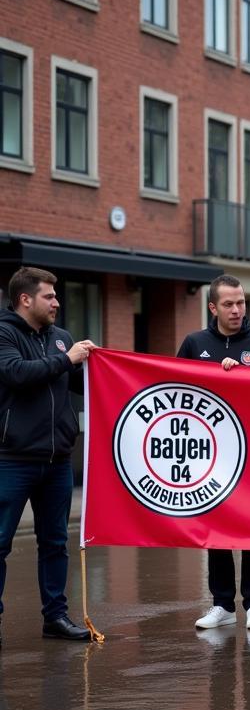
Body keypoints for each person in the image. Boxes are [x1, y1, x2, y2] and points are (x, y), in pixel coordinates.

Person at [177, 275, 250, 632]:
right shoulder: (194, 343)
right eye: (229, 304)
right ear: (213, 307)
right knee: (217, 526)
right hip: (210, 454)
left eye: (241, 302)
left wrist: (244, 379)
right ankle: (222, 604)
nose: (237, 310)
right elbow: (176, 390)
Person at [0, 267, 97, 645]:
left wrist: (102, 365)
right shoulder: (5, 333)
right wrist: (68, 359)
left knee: (55, 542)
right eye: (49, 296)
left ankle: (55, 617)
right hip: (13, 458)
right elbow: (17, 373)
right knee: (1, 541)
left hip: (58, 460)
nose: (57, 302)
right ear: (26, 299)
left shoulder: (61, 339)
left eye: (56, 296)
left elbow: (80, 382)